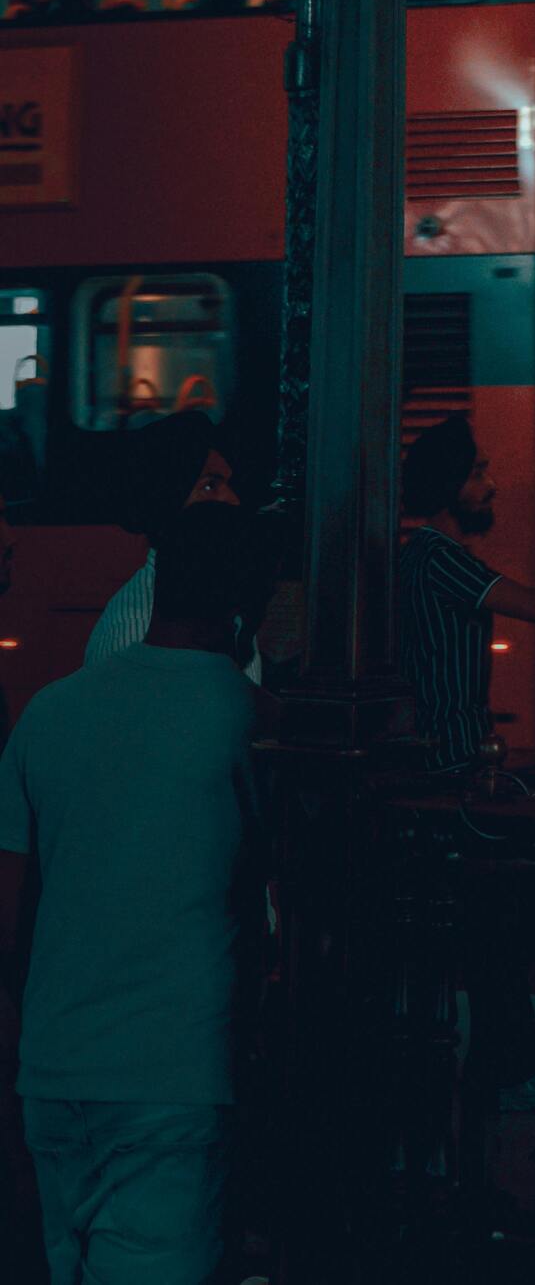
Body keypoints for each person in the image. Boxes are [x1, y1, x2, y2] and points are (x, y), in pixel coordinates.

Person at [0, 508, 267, 1285]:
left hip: (54, 1077)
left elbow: (10, 920)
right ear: (244, 606)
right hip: (172, 1080)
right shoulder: (249, 721)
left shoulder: (50, 712)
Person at [395, 413, 535, 770]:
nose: (491, 485)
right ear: (447, 485)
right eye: (477, 474)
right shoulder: (440, 560)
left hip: (451, 753)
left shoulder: (429, 553)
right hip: (452, 758)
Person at [84, 409, 241, 668]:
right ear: (169, 504)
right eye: (209, 486)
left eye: (228, 485)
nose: (233, 500)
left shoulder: (222, 605)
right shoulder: (134, 633)